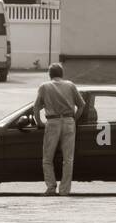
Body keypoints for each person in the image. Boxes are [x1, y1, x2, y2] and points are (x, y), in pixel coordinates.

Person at [33, 62, 85, 196]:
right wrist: (74, 120)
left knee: (47, 158)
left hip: (52, 122)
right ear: (62, 74)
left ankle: (51, 187)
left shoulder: (44, 87)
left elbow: (36, 107)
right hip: (68, 122)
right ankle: (64, 190)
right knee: (68, 159)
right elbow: (82, 105)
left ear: (50, 74)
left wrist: (39, 122)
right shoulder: (70, 85)